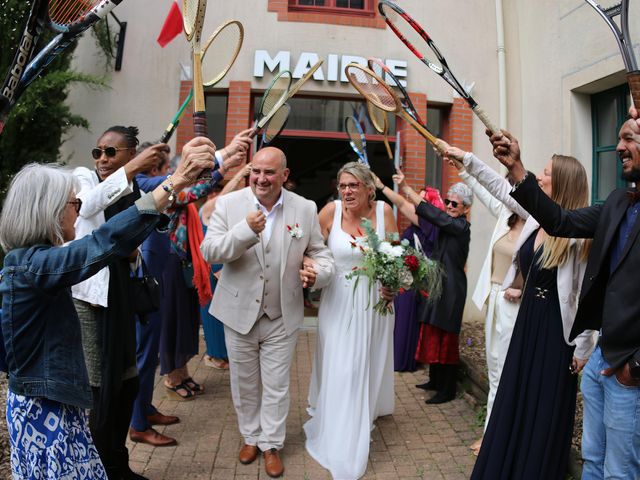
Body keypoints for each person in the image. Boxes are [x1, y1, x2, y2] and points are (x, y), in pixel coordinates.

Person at [0, 141, 214, 480]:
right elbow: (102, 242)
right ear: (51, 211)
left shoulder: (30, 263)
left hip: (55, 402)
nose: (77, 208)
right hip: (44, 408)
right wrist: (175, 181)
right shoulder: (34, 266)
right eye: (73, 202)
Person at [488, 123, 640, 480]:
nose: (618, 146)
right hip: (602, 357)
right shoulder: (618, 203)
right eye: (618, 137)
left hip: (629, 370)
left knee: (619, 472)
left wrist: (635, 366)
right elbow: (558, 220)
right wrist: (516, 170)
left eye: (629, 138)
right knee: (592, 460)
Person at [200, 147, 334, 478]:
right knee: (243, 382)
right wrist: (245, 229)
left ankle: (271, 443)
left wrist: (318, 273)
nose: (261, 178)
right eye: (256, 171)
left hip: (282, 311)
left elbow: (320, 251)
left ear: (284, 176)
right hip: (237, 310)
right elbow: (209, 250)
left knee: (276, 384)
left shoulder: (304, 208)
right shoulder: (229, 205)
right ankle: (250, 436)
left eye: (269, 172)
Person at [469, 143, 598, 479]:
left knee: (543, 410)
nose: (539, 177)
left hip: (556, 335)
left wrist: (583, 348)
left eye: (547, 174)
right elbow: (501, 187)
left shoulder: (578, 235)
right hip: (527, 324)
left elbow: (586, 296)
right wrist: (467, 160)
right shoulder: (533, 218)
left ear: (564, 184)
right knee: (515, 401)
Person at [72, 125, 171, 478]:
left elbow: (146, 221)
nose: (101, 158)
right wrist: (128, 169)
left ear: (130, 152)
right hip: (90, 300)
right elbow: (86, 207)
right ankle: (101, 470)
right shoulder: (83, 177)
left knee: (126, 384)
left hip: (121, 296)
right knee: (101, 390)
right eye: (98, 151)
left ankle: (117, 464)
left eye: (111, 152)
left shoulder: (129, 189)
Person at [304, 162, 397, 480]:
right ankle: (342, 434)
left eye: (353, 185)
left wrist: (393, 284)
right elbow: (307, 249)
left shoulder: (385, 213)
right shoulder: (329, 212)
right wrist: (310, 269)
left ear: (370, 188)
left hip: (374, 303)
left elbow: (397, 255)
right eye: (342, 186)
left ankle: (362, 413)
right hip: (338, 303)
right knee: (344, 366)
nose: (346, 192)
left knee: (365, 365)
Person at [159, 128, 252, 401]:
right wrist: (224, 171)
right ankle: (171, 377)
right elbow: (198, 189)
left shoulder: (188, 205)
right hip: (170, 268)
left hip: (186, 268)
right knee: (173, 324)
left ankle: (183, 371)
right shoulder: (171, 196)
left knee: (187, 324)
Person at [446, 145, 528, 454]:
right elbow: (484, 193)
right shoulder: (505, 216)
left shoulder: (535, 224)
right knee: (494, 369)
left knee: (506, 371)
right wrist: (464, 170)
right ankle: (493, 433)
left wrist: (522, 287)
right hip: (494, 300)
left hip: (514, 306)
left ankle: (502, 437)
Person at [397, 172, 473, 405]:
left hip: (452, 289)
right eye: (448, 202)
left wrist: (407, 190)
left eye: (455, 204)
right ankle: (435, 380)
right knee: (431, 331)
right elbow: (432, 218)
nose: (449, 206)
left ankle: (447, 389)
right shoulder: (448, 223)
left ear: (466, 208)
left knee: (446, 339)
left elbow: (437, 216)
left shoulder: (460, 226)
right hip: (438, 284)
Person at [371, 173, 441, 372]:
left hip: (415, 279)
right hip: (406, 275)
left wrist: (383, 187)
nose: (416, 203)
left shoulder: (429, 222)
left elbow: (401, 204)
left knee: (404, 318)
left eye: (421, 200)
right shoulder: (420, 223)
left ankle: (400, 360)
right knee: (400, 316)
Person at [199, 163, 252, 370]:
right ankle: (214, 355)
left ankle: (221, 354)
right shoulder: (209, 207)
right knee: (212, 311)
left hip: (222, 262)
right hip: (211, 264)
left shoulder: (220, 210)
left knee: (222, 312)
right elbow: (225, 198)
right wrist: (240, 174)